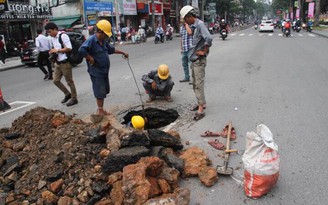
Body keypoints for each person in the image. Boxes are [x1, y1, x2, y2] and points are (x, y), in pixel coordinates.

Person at [78, 20, 129, 115]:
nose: (106, 36)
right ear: (100, 31)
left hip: (104, 71)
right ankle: (100, 110)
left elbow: (111, 50)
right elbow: (81, 50)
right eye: (105, 34)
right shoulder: (91, 41)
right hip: (96, 71)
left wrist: (123, 53)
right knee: (99, 90)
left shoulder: (103, 42)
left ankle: (101, 109)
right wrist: (90, 58)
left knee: (104, 90)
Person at [180, 5, 212, 121]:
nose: (185, 22)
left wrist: (204, 51)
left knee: (198, 84)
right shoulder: (194, 26)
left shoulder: (200, 24)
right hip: (194, 60)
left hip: (199, 60)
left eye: (185, 19)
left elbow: (208, 38)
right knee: (194, 84)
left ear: (189, 16)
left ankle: (201, 110)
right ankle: (201, 103)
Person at [45, 22, 78, 107]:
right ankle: (67, 94)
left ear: (55, 29)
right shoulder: (52, 38)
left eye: (50, 32)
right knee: (55, 80)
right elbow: (55, 49)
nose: (49, 34)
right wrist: (52, 52)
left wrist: (57, 51)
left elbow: (69, 48)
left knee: (70, 81)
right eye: (48, 32)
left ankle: (74, 98)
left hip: (65, 62)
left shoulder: (63, 36)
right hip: (57, 63)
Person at [179, 18, 193, 82]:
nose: (181, 20)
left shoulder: (190, 26)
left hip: (190, 48)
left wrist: (186, 24)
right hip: (184, 49)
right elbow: (181, 38)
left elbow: (190, 32)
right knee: (184, 64)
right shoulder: (181, 27)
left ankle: (194, 79)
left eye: (182, 19)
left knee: (192, 64)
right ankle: (186, 77)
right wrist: (181, 48)